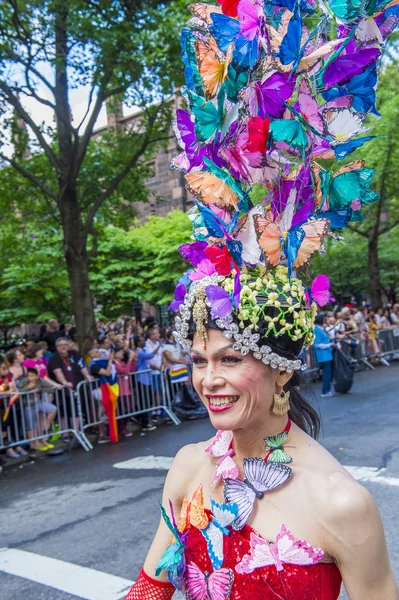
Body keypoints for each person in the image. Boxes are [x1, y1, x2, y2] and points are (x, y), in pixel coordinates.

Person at [124, 5, 398, 597]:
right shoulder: (189, 468)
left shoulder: (341, 503)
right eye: (199, 360)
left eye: (228, 358)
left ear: (279, 367)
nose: (208, 379)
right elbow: (150, 588)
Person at [47, 337, 90, 439]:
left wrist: (88, 376)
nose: (63, 347)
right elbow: (57, 372)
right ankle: (65, 433)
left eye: (65, 344)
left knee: (76, 410)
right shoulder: (54, 357)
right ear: (57, 347)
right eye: (60, 345)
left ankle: (76, 432)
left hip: (76, 387)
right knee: (64, 411)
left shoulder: (74, 354)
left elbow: (82, 366)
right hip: (62, 390)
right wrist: (64, 382)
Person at [19, 367, 57, 451]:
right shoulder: (24, 381)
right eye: (29, 376)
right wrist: (28, 388)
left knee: (53, 409)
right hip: (28, 405)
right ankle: (33, 444)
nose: (30, 378)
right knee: (31, 425)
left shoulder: (40, 381)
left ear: (37, 376)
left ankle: (46, 426)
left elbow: (50, 388)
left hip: (38, 403)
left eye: (32, 376)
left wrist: (39, 389)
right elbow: (19, 391)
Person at [88, 347, 119, 443]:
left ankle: (106, 430)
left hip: (106, 387)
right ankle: (102, 432)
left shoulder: (101, 362)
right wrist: (110, 361)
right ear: (92, 355)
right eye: (96, 352)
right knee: (104, 407)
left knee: (108, 407)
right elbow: (106, 373)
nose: (99, 353)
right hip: (99, 388)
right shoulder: (93, 364)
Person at [0, 357, 27, 458]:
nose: (6, 371)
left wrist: (6, 391)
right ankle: (8, 449)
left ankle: (16, 446)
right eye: (3, 369)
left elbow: (12, 390)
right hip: (2, 407)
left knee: (12, 425)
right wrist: (4, 392)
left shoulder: (7, 376)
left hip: (7, 405)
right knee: (3, 429)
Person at [135, 335, 161, 432]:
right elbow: (149, 356)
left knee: (149, 401)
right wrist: (159, 346)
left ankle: (147, 420)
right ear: (137, 342)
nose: (143, 341)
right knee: (145, 402)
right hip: (142, 379)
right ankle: (145, 423)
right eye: (141, 340)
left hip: (147, 378)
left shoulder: (142, 350)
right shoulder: (138, 352)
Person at [114, 345, 137, 437]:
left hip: (126, 390)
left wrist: (133, 360)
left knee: (130, 409)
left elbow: (131, 369)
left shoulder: (122, 362)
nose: (122, 353)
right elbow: (124, 371)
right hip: (120, 391)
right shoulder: (115, 364)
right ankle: (122, 428)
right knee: (122, 411)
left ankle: (123, 427)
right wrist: (130, 359)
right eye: (119, 352)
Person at [313, 314, 335, 397]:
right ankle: (325, 391)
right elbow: (317, 344)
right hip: (323, 354)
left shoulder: (319, 329)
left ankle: (327, 390)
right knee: (326, 373)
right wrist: (329, 345)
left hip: (327, 354)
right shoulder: (316, 329)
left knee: (328, 372)